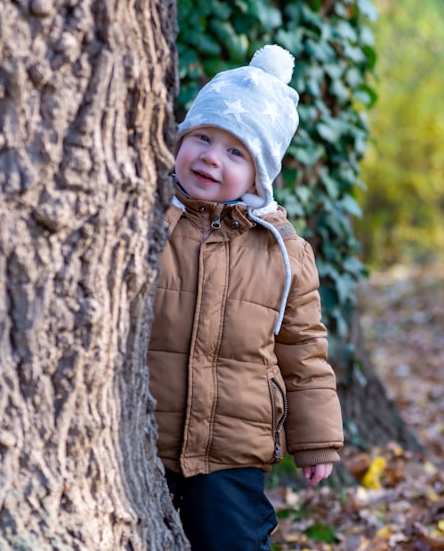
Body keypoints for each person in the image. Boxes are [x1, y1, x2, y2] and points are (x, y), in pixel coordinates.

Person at [148, 44, 344, 550]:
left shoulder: (282, 250)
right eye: (204, 138)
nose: (212, 157)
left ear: (259, 175)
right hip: (148, 434)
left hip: (231, 449)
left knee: (232, 539)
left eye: (236, 152)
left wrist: (317, 437)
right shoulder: (152, 220)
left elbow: (304, 348)